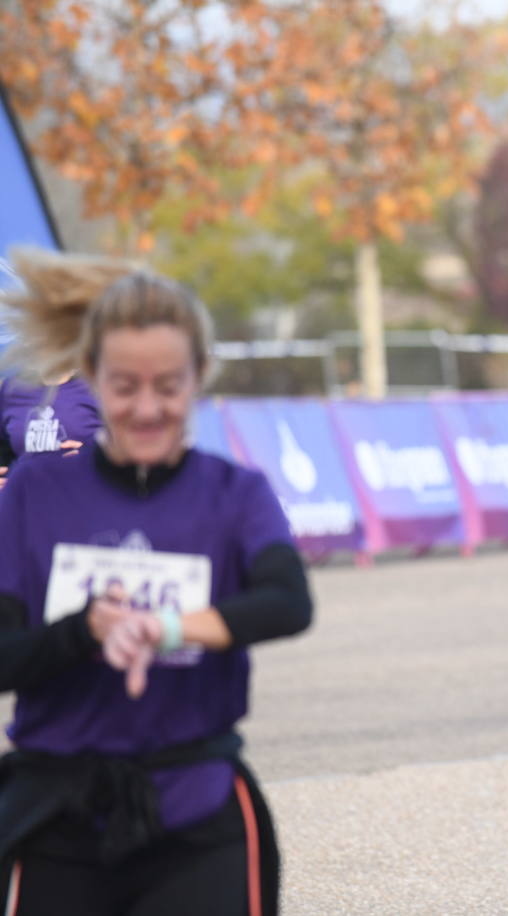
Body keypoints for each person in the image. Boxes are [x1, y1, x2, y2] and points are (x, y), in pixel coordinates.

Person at [0, 251, 313, 915]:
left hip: (197, 818)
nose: (146, 408)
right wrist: (83, 631)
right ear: (91, 377)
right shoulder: (32, 493)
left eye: (168, 386)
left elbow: (288, 602)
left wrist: (164, 627)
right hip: (56, 821)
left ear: (199, 378)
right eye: (123, 386)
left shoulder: (233, 495)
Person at [0, 251, 127, 488]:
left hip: (88, 514)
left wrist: (97, 460)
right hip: (27, 516)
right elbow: (5, 453)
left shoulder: (104, 386)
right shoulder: (10, 391)